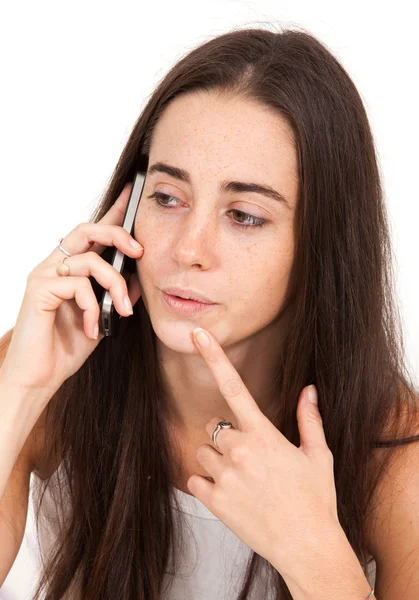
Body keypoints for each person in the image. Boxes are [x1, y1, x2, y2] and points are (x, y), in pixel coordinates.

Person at [0, 24, 418, 600]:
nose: (188, 251)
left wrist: (315, 552)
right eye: (168, 198)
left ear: (322, 242)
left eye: (243, 215)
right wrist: (17, 396)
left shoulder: (398, 457)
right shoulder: (37, 367)